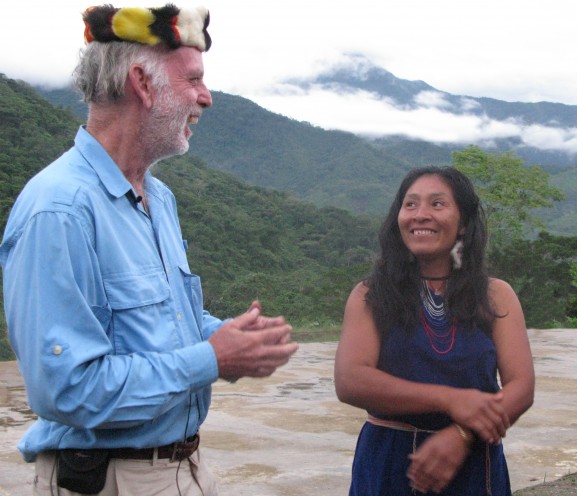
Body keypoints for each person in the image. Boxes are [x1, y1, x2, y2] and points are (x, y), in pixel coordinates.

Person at [0, 4, 298, 495]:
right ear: (141, 83)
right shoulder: (59, 209)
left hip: (181, 468)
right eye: (194, 81)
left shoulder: (158, 198)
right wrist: (212, 359)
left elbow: (164, 325)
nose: (206, 97)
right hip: (109, 478)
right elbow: (66, 390)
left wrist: (228, 337)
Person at [334, 166, 535, 495]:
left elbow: (521, 387)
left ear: (464, 223)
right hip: (388, 463)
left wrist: (462, 435)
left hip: (471, 464)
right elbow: (351, 381)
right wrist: (451, 400)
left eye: (437, 204)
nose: (420, 215)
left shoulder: (496, 295)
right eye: (410, 204)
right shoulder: (369, 295)